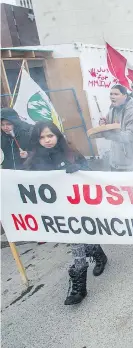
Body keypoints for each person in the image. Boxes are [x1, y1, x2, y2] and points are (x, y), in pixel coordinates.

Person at [24, 121, 108, 305]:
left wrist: (79, 170)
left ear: (57, 135)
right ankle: (98, 253)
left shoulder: (71, 153)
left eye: (50, 135)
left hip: (78, 209)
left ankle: (79, 289)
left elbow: (90, 175)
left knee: (77, 244)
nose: (47, 140)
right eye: (42, 137)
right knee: (80, 241)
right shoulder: (32, 161)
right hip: (58, 212)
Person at [99, 85, 133, 171]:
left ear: (125, 96)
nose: (112, 97)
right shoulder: (113, 110)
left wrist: (108, 134)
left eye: (116, 94)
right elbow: (111, 127)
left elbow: (130, 137)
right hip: (116, 162)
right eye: (111, 94)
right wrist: (104, 124)